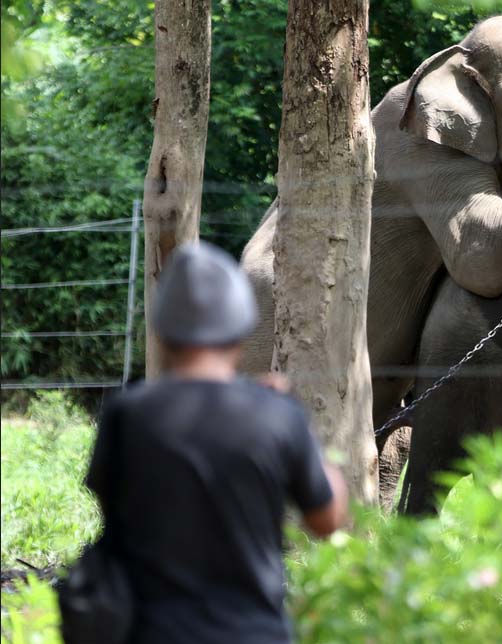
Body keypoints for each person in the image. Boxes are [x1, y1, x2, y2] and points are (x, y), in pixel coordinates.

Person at [82, 241, 348, 644]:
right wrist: (295, 426)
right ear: (242, 330)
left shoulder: (127, 414)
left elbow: (111, 506)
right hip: (254, 633)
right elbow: (327, 520)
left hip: (149, 632)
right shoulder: (276, 415)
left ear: (163, 332)